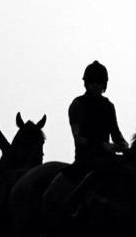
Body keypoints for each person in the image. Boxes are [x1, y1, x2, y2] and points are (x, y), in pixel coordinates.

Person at [45, 61, 128, 210]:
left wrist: (124, 145)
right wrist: (102, 145)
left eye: (99, 82)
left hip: (107, 157)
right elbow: (79, 138)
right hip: (86, 158)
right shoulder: (78, 105)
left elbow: (116, 133)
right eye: (93, 82)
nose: (96, 85)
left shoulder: (108, 106)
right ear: (87, 84)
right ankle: (73, 205)